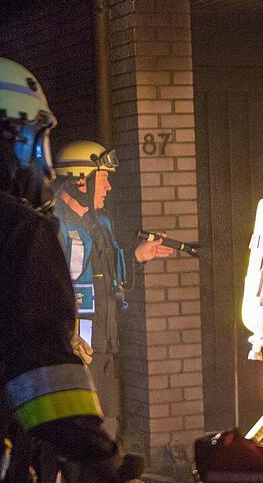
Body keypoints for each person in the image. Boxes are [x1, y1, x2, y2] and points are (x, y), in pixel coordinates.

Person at [0, 56, 154, 483]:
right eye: (38, 141)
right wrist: (101, 464)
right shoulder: (10, 226)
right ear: (12, 139)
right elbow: (44, 370)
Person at [53, 140, 173, 437]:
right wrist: (63, 333)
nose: (107, 188)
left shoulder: (100, 224)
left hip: (104, 344)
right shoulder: (51, 226)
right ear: (81, 181)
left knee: (108, 424)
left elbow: (107, 278)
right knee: (80, 426)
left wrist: (137, 255)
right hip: (74, 348)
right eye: (103, 179)